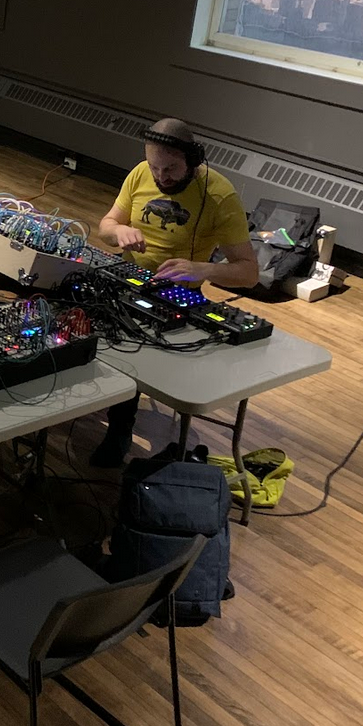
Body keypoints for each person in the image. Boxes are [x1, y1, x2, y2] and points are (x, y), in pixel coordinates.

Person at [89, 118, 260, 467]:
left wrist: (204, 269)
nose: (161, 176)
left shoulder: (219, 195)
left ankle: (120, 428)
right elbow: (106, 226)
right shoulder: (140, 174)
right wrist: (119, 232)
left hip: (180, 293)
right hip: (129, 277)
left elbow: (248, 273)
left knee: (132, 347)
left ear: (194, 161)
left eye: (171, 169)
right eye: (155, 167)